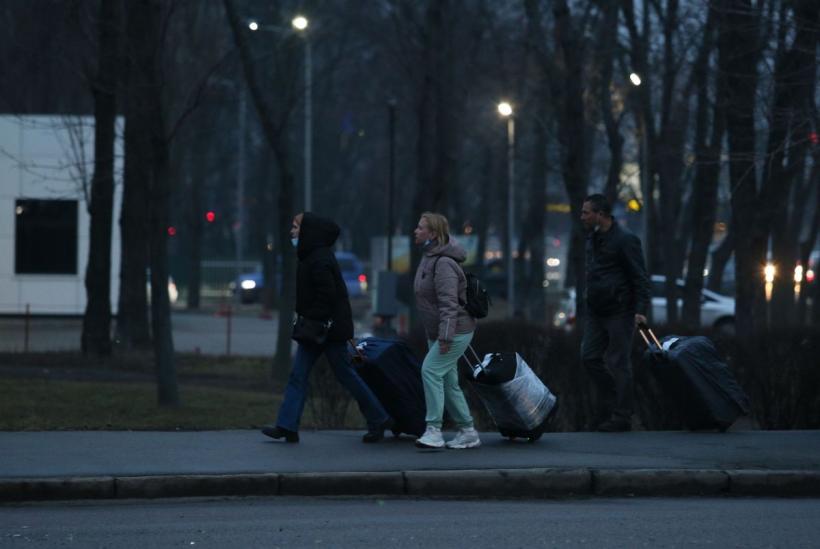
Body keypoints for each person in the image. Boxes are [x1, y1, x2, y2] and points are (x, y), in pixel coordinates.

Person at [262, 212, 394, 443]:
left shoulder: (318, 258)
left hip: (325, 330)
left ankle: (378, 417)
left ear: (307, 231)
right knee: (305, 375)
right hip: (320, 329)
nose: (292, 232)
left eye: (295, 227)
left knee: (329, 375)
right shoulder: (312, 256)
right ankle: (287, 425)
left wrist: (309, 318)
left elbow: (327, 296)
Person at [580, 194, 650, 432]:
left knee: (619, 363)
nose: (582, 216)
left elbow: (639, 276)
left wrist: (640, 310)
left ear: (601, 214)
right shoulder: (593, 238)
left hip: (620, 311)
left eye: (586, 212)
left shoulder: (625, 240)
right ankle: (613, 400)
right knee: (589, 356)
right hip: (596, 311)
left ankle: (622, 416)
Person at [412, 212, 481, 449]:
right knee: (448, 381)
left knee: (430, 371)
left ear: (432, 234)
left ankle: (433, 430)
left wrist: (445, 337)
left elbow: (449, 304)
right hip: (441, 332)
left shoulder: (443, 263)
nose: (416, 231)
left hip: (455, 331)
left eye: (421, 228)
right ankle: (467, 431)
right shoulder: (429, 257)